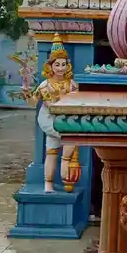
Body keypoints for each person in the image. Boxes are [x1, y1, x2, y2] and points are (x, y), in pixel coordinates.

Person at [31, 35, 81, 192]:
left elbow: (75, 102)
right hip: (50, 120)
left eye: (63, 65)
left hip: (66, 119)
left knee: (61, 151)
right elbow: (33, 102)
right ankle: (48, 184)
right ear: (50, 66)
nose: (60, 68)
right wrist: (26, 94)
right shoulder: (45, 85)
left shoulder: (72, 84)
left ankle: (64, 178)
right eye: (57, 65)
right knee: (55, 150)